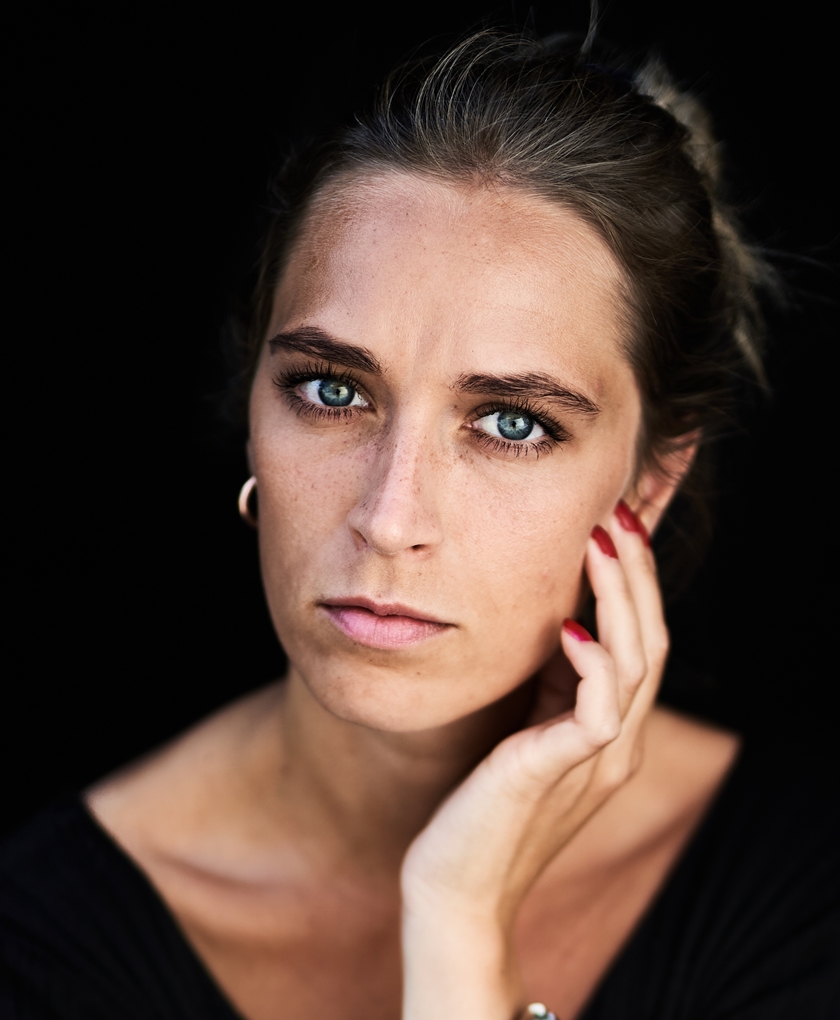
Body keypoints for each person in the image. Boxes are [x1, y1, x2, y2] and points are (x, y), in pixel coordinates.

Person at [1, 29, 837, 1020]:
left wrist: (459, 921)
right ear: (255, 411)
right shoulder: (37, 947)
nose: (389, 519)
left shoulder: (806, 890)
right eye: (331, 390)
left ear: (648, 485)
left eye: (512, 423)